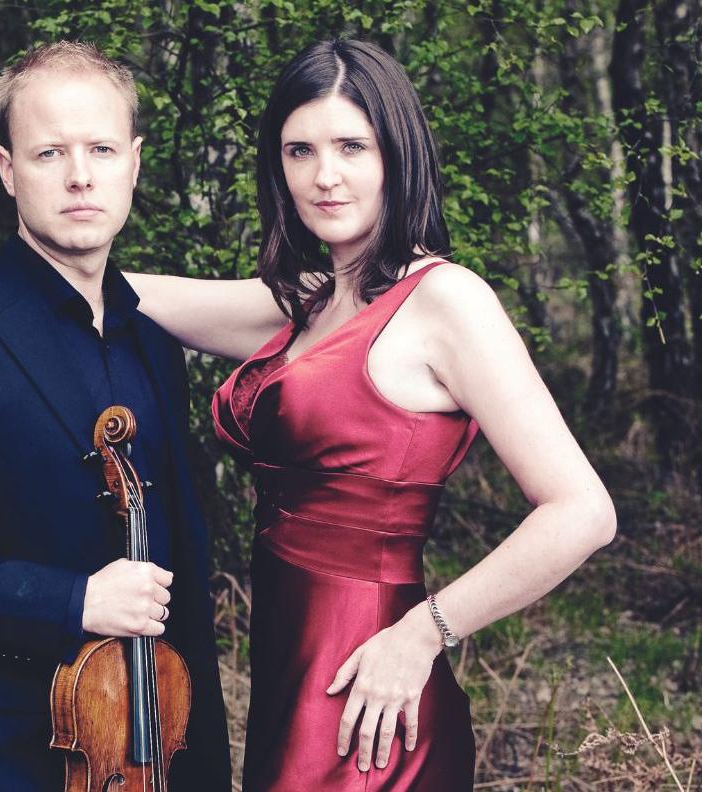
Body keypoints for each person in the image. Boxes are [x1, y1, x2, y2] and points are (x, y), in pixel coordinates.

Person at [127, 38, 616, 790]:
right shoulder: (312, 302)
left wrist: (423, 635)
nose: (324, 176)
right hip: (289, 667)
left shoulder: (447, 301)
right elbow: (134, 296)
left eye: (352, 146)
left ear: (398, 154)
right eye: (300, 151)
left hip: (373, 680)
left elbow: (583, 511)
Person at [0, 41, 231, 791]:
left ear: (135, 162)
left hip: (141, 752)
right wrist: (74, 600)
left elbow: (178, 583)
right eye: (50, 152)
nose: (80, 175)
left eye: (101, 148)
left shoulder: (152, 340)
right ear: (6, 169)